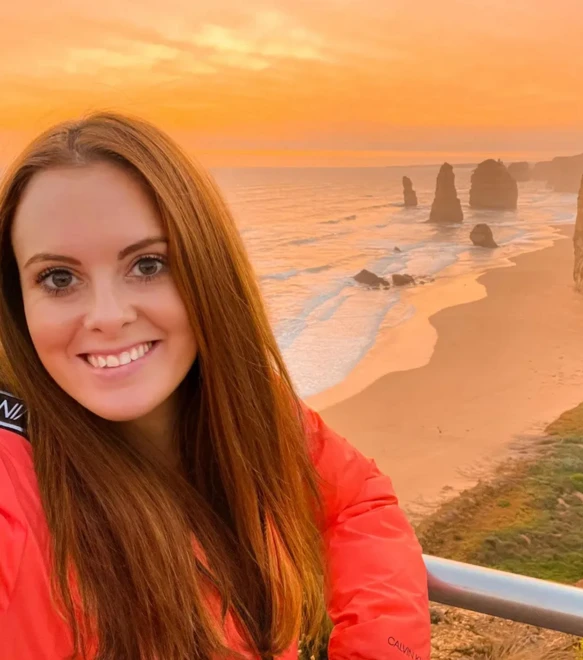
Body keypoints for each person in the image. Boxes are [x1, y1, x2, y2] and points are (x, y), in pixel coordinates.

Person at [0, 113, 431, 660]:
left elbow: (356, 500)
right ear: (18, 302)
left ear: (208, 272)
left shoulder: (245, 407)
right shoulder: (14, 485)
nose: (106, 316)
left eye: (148, 264)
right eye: (59, 278)